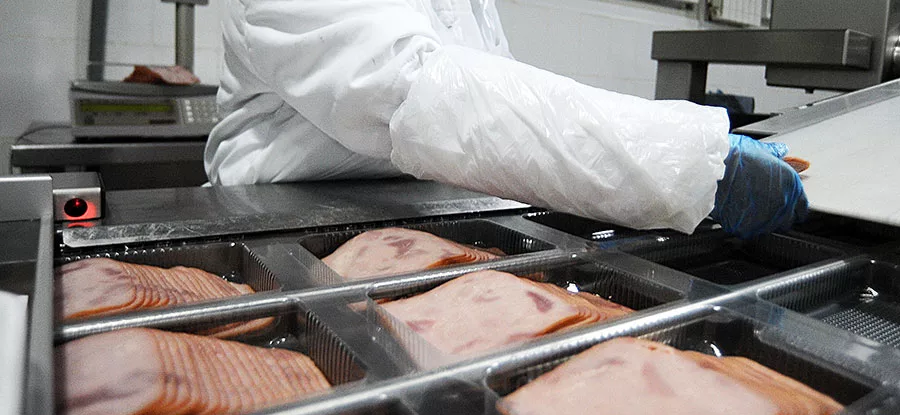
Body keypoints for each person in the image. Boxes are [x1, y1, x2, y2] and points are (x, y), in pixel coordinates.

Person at [205, 0, 807, 239]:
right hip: (274, 230)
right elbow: (429, 98)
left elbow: (508, 106)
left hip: (412, 218)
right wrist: (690, 163)